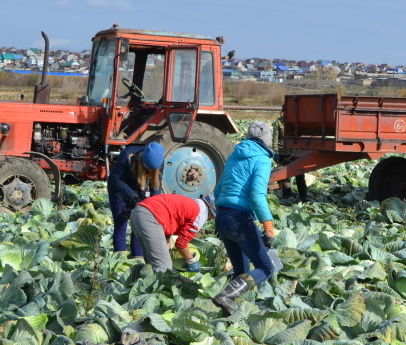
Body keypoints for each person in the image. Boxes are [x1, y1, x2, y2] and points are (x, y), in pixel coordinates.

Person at [211, 121, 278, 315]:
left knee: (241, 272)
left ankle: (227, 311)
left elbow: (217, 190)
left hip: (223, 217)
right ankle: (227, 297)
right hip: (239, 219)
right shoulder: (263, 160)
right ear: (266, 139)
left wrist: (221, 217)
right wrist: (268, 226)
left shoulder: (235, 154)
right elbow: (257, 195)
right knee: (265, 268)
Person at [129, 192, 215, 274]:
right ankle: (161, 289)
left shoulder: (193, 203)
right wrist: (191, 261)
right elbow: (181, 244)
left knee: (151, 264)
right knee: (163, 266)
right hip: (150, 217)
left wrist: (168, 252)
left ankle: (149, 286)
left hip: (138, 213)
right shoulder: (200, 215)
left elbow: (166, 225)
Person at [107, 142, 164, 257]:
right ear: (142, 159)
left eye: (152, 169)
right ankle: (120, 261)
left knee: (139, 226)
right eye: (147, 166)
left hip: (140, 191)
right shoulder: (127, 155)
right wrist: (131, 195)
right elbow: (116, 179)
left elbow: (156, 187)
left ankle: (137, 259)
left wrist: (154, 205)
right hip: (119, 191)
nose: (149, 170)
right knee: (121, 226)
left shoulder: (159, 162)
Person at [271, 114, 308, 202]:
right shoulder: (279, 122)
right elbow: (275, 138)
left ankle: (304, 196)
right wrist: (275, 152)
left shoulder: (298, 122)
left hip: (296, 152)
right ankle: (287, 197)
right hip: (284, 152)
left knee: (300, 175)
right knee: (285, 175)